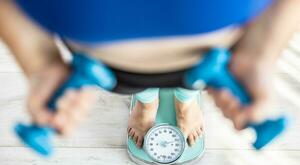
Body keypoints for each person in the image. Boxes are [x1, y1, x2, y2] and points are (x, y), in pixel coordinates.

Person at [0, 0, 299, 148]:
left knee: (191, 85)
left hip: (210, 59)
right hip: (109, 66)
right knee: (132, 88)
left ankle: (186, 102)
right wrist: (38, 61)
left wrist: (260, 55)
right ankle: (146, 103)